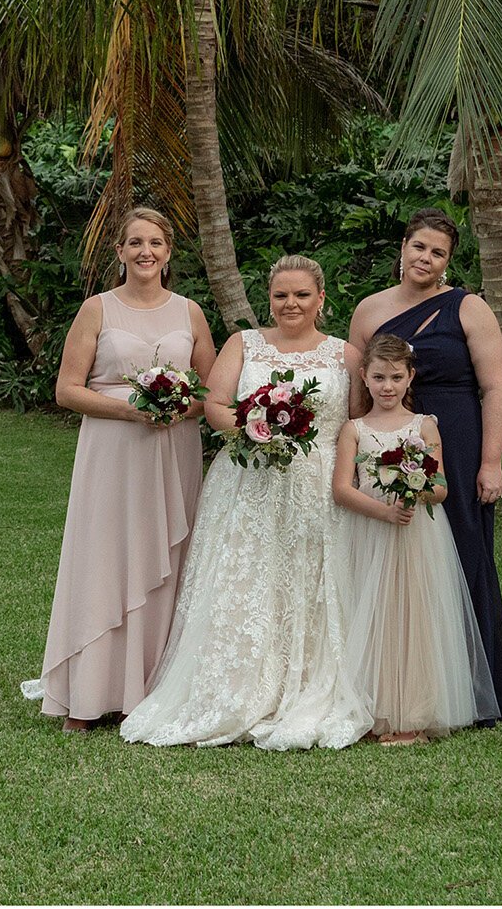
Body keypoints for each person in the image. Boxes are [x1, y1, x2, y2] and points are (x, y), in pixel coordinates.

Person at [121, 255, 370, 750]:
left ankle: (306, 686)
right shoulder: (243, 343)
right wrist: (255, 430)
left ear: (321, 299)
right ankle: (236, 687)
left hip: (318, 485)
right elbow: (214, 403)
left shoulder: (347, 356)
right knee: (247, 580)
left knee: (309, 579)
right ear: (269, 300)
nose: (290, 304)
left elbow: (357, 424)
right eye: (281, 295)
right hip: (247, 481)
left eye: (301, 295)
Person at [348, 209, 502, 721]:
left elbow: (495, 387)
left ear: (447, 262)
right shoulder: (369, 311)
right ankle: (406, 682)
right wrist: (358, 454)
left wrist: (490, 463)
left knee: (465, 556)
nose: (427, 258)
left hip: (458, 443)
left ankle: (478, 685)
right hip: (386, 439)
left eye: (439, 253)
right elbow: (358, 388)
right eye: (420, 247)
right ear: (403, 246)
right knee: (396, 559)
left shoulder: (469, 308)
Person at [21, 207, 215, 732]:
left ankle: (149, 694)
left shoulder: (190, 313)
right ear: (120, 253)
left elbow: (212, 392)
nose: (145, 252)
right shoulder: (97, 310)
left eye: (155, 242)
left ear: (169, 252)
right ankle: (84, 695)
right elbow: (67, 390)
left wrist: (178, 405)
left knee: (167, 561)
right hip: (111, 451)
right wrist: (133, 409)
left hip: (172, 452)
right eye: (135, 243)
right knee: (103, 557)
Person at [331, 333, 500, 743]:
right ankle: (375, 711)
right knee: (370, 616)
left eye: (395, 377)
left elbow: (440, 487)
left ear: (410, 378)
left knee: (414, 616)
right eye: (378, 377)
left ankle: (414, 714)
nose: (387, 387)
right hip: (369, 530)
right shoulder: (354, 429)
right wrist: (384, 511)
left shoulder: (423, 426)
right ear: (364, 378)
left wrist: (414, 490)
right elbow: (341, 489)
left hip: (417, 535)